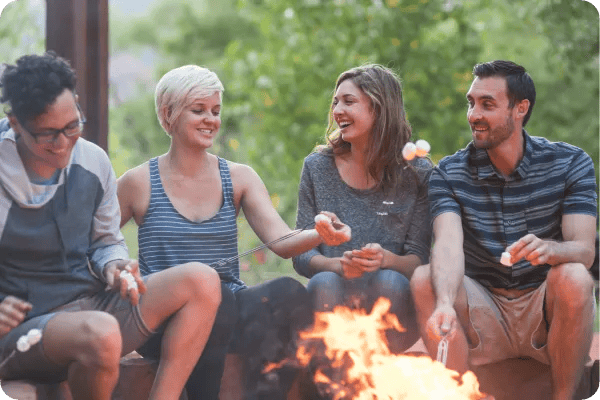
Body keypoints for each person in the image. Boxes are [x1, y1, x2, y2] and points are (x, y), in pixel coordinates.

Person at [116, 64, 351, 399]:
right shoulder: (137, 182)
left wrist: (320, 232)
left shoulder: (239, 177)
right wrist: (120, 271)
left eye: (215, 111)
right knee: (216, 297)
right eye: (198, 110)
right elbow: (99, 240)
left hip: (228, 310)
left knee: (287, 292)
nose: (211, 120)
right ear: (168, 115)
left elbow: (282, 243)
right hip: (167, 320)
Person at [0, 52, 222, 400]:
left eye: (73, 126)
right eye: (48, 135)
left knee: (203, 280)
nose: (64, 144)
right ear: (15, 124)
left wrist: (116, 267)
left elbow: (105, 241)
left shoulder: (92, 160)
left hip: (90, 304)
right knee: (100, 331)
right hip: (22, 329)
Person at [410, 60, 597, 400]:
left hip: (543, 311)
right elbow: (448, 244)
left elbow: (584, 250)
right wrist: (446, 302)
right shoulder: (449, 173)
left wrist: (552, 249)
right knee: (426, 279)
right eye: (471, 103)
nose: (474, 115)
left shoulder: (571, 163)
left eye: (487, 104)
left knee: (574, 275)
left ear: (520, 109)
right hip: (484, 312)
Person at [293, 64, 432, 354]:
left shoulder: (417, 172)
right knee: (324, 282)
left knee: (390, 282)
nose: (338, 110)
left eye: (349, 101)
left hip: (394, 304)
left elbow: (419, 259)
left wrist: (386, 259)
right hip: (332, 296)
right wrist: (338, 265)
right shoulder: (317, 167)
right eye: (335, 102)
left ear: (380, 109)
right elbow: (301, 253)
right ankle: (331, 387)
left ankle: (380, 385)